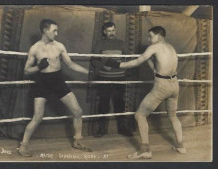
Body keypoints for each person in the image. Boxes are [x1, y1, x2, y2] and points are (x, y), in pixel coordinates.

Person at [105, 26, 186, 159]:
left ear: (158, 36)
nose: (148, 39)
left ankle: (145, 150)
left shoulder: (154, 48)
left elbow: (136, 62)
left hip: (162, 87)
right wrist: (149, 60)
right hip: (175, 86)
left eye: (150, 36)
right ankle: (180, 145)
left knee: (140, 115)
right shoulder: (171, 48)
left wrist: (116, 65)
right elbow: (157, 69)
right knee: (172, 115)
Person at [18, 19, 91, 157]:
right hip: (43, 83)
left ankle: (77, 140)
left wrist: (90, 73)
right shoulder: (35, 48)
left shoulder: (59, 46)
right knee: (37, 116)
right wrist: (39, 67)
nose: (56, 33)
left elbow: (70, 64)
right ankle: (23, 146)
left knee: (77, 111)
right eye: (54, 30)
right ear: (45, 30)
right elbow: (27, 70)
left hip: (58, 81)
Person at [90, 21, 135, 137]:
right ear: (104, 32)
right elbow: (94, 60)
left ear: (115, 30)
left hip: (119, 78)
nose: (111, 33)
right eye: (109, 31)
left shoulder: (121, 43)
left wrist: (123, 69)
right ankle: (101, 129)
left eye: (113, 30)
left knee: (120, 103)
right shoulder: (99, 44)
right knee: (103, 104)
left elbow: (128, 59)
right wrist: (104, 66)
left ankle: (122, 128)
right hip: (104, 78)